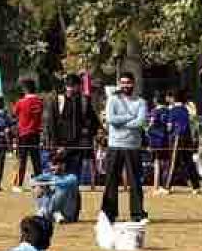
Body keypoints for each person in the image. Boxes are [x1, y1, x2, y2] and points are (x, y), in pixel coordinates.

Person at [101, 72, 150, 223]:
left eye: (128, 83)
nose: (125, 86)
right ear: (119, 84)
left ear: (133, 84)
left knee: (135, 181)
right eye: (122, 83)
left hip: (133, 146)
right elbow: (111, 119)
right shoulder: (112, 100)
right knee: (111, 180)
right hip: (114, 145)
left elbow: (140, 122)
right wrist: (130, 117)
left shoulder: (141, 102)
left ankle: (137, 213)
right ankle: (108, 213)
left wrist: (121, 122)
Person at [51, 73, 98, 184]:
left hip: (78, 147)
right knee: (59, 179)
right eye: (68, 86)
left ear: (79, 86)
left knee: (74, 179)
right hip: (61, 147)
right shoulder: (58, 101)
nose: (70, 89)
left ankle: (74, 195)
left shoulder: (84, 101)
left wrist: (87, 134)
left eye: (73, 86)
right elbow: (52, 124)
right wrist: (56, 145)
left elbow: (94, 122)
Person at [31, 146, 83, 224]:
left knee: (62, 188)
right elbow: (33, 181)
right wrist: (39, 186)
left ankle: (51, 212)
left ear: (63, 165)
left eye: (55, 165)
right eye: (51, 165)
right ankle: (45, 212)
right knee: (39, 187)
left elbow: (62, 183)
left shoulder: (72, 177)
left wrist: (46, 184)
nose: (52, 168)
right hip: (53, 212)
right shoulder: (50, 175)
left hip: (69, 214)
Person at [12, 79, 47, 186]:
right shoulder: (40, 102)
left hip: (23, 134)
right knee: (36, 160)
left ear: (25, 89)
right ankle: (39, 183)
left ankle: (18, 184)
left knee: (21, 159)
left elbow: (14, 113)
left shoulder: (21, 102)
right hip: (35, 133)